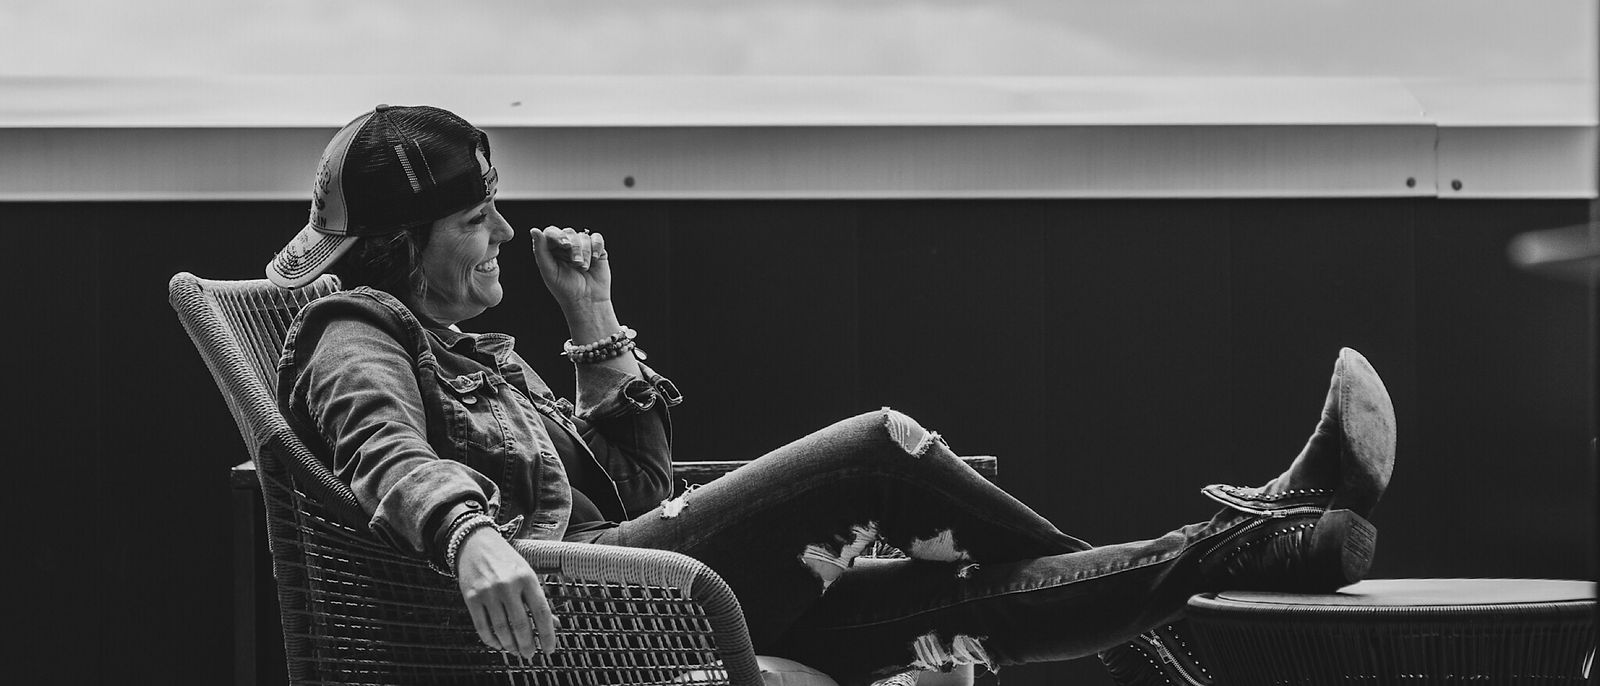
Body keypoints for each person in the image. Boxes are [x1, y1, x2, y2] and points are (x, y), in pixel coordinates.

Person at [267, 105, 1396, 686]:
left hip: (636, 599)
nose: (506, 232)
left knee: (965, 596)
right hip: (585, 628)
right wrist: (469, 536)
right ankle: (1221, 569)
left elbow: (642, 494)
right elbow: (383, 451)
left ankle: (1255, 549)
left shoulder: (472, 351)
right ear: (403, 244)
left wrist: (594, 326)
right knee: (878, 451)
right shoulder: (353, 332)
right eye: (478, 220)